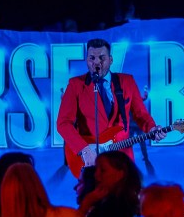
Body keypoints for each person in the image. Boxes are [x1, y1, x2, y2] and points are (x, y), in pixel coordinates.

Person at [57, 37, 164, 173]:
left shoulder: (127, 81)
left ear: (111, 60)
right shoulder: (75, 85)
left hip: (122, 156)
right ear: (86, 60)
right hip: (91, 157)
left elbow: (140, 114)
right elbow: (63, 123)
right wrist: (84, 149)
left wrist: (152, 128)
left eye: (102, 58)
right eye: (92, 58)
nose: (97, 62)